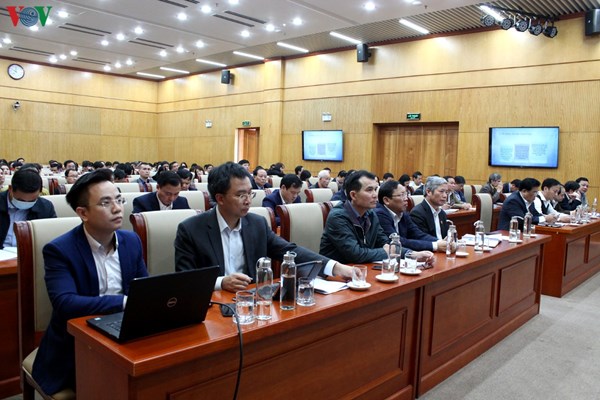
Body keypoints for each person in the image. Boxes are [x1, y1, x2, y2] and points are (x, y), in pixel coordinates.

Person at [31, 169, 148, 395]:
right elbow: (65, 303)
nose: (117, 208)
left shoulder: (131, 240)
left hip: (124, 331)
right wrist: (123, 302)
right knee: (112, 386)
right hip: (76, 343)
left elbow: (142, 287)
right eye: (105, 203)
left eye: (119, 200)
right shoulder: (59, 250)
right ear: (83, 213)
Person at [174, 162, 352, 292]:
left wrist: (335, 267)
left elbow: (289, 251)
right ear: (220, 198)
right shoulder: (191, 229)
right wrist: (221, 282)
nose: (248, 201)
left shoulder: (256, 223)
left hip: (252, 301)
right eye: (241, 195)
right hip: (212, 306)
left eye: (249, 193)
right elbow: (185, 280)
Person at [320, 170, 433, 264]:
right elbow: (356, 254)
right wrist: (387, 251)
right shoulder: (338, 217)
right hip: (337, 275)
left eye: (375, 189)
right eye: (369, 190)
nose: (375, 195)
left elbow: (385, 242)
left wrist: (411, 254)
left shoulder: (370, 214)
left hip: (364, 268)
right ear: (353, 195)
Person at [375, 180, 447, 252]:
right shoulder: (379, 214)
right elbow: (397, 242)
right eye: (401, 195)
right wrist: (435, 245)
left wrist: (440, 242)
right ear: (386, 200)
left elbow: (417, 234)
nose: (406, 198)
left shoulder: (404, 214)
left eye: (406, 194)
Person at [0, 168, 56, 249]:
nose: (25, 203)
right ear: (10, 189)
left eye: (32, 200)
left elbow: (50, 237)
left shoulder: (46, 207)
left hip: (30, 253)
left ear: (40, 192)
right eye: (20, 200)